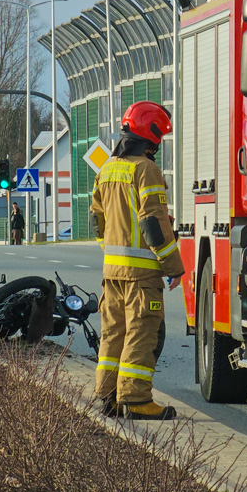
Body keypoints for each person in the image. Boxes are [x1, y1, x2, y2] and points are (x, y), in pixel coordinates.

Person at [90, 101, 184, 421]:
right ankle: (137, 398)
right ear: (151, 135)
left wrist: (112, 251)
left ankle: (109, 396)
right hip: (141, 275)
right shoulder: (146, 169)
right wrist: (173, 267)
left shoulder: (107, 169)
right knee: (141, 334)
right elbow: (153, 223)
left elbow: (97, 219)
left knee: (114, 333)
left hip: (112, 273)